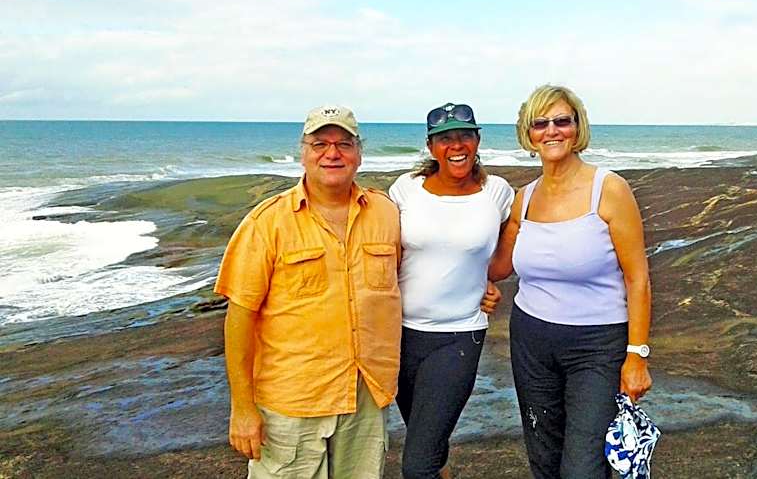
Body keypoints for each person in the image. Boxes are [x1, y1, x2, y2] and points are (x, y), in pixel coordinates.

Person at [215, 105, 402, 479]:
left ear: (359, 153)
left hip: (363, 394)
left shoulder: (386, 212)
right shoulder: (266, 222)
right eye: (320, 143)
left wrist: (480, 290)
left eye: (343, 144)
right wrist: (242, 407)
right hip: (292, 402)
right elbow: (239, 316)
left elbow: (407, 277)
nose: (332, 153)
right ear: (302, 152)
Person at [488, 85, 653, 479]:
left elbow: (639, 279)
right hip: (531, 341)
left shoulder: (609, 190)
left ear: (578, 127)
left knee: (584, 467)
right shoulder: (522, 199)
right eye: (540, 123)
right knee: (544, 458)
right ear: (527, 134)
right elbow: (498, 268)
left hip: (597, 345)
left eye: (562, 120)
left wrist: (637, 355)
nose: (551, 131)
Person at [388, 102, 514, 479]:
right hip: (399, 336)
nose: (455, 145)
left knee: (417, 465)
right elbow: (387, 255)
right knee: (428, 442)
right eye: (445, 138)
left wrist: (488, 280)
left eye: (464, 135)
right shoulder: (405, 190)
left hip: (458, 335)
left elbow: (502, 258)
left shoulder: (498, 193)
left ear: (477, 141)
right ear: (431, 147)